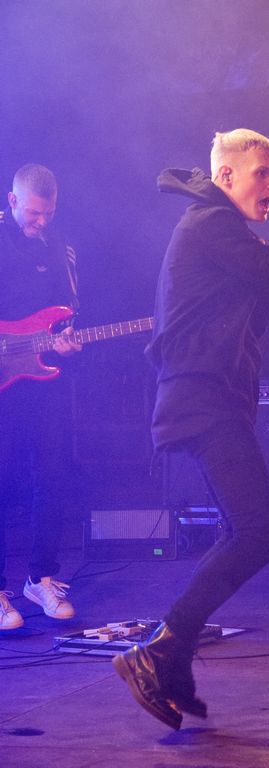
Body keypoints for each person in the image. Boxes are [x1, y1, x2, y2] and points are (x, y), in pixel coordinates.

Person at [113, 128, 269, 729]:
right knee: (257, 534)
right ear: (226, 176)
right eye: (263, 172)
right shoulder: (213, 224)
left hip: (206, 399)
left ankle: (171, 665)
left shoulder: (216, 227)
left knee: (246, 531)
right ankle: (160, 648)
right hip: (204, 400)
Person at [0, 164, 81, 630]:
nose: (41, 221)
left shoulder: (59, 245)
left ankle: (40, 578)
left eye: (48, 213)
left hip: (43, 379)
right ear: (12, 201)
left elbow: (69, 310)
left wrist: (67, 337)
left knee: (52, 475)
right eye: (33, 212)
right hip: (3, 380)